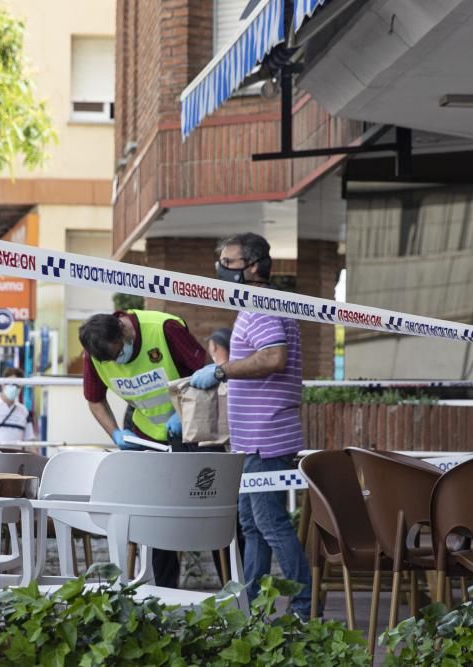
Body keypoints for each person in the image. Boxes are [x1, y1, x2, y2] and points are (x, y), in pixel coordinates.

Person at [190, 232, 312, 617]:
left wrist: (222, 370)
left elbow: (274, 357)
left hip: (266, 438)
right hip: (253, 441)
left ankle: (304, 608)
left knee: (271, 523)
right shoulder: (260, 303)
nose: (221, 269)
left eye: (230, 262)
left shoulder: (262, 305)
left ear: (255, 267)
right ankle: (251, 607)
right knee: (251, 525)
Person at [79, 309, 209, 589]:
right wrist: (114, 432)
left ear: (123, 331)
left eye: (117, 354)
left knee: (208, 510)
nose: (116, 362)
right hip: (145, 434)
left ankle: (234, 585)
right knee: (155, 517)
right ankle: (163, 589)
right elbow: (94, 399)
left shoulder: (165, 329)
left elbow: (205, 374)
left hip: (190, 431)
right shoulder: (96, 350)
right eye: (110, 360)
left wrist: (184, 409)